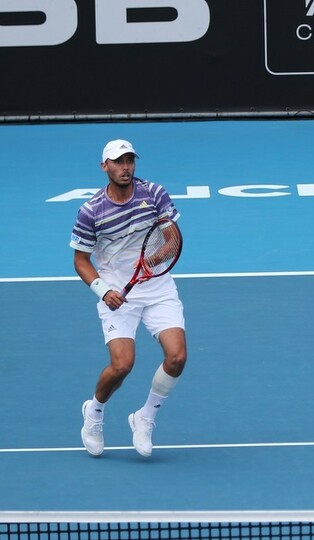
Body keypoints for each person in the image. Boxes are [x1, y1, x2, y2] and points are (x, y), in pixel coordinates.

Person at [71, 139, 187, 457]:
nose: (126, 167)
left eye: (130, 161)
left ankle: (144, 417)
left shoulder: (154, 194)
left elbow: (172, 240)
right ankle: (94, 412)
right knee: (122, 365)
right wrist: (103, 290)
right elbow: (80, 261)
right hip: (116, 293)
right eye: (118, 162)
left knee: (177, 358)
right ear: (104, 166)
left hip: (157, 287)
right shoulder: (91, 211)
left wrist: (150, 263)